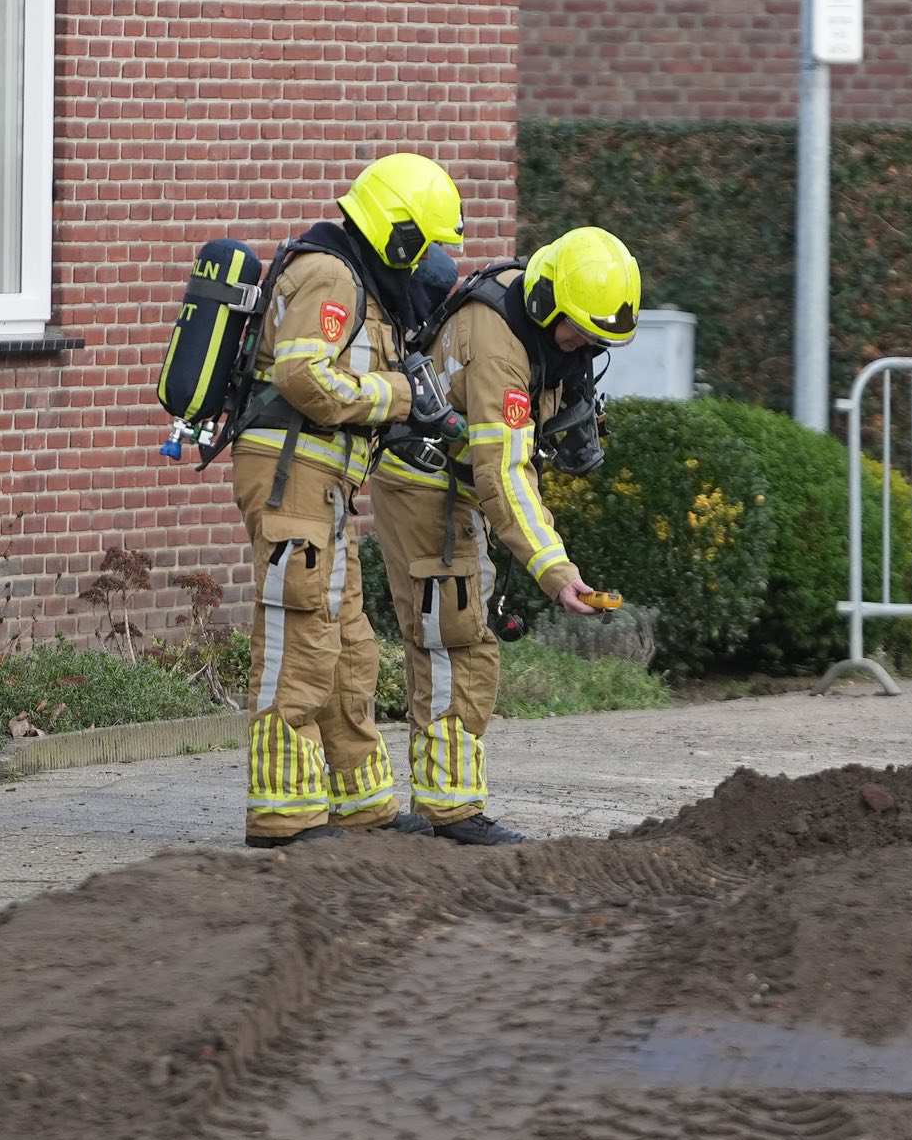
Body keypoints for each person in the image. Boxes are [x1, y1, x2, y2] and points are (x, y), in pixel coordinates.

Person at [367, 226, 641, 845]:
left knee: (454, 638)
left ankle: (439, 803)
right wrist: (555, 568)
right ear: (547, 302)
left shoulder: (538, 322)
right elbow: (503, 472)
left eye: (598, 342)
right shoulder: (497, 343)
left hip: (453, 495)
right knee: (454, 642)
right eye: (579, 332)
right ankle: (451, 813)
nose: (581, 346)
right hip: (427, 494)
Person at [232, 151, 467, 848]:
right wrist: (395, 398)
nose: (430, 265)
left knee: (350, 646)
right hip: (291, 477)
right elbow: (305, 375)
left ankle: (360, 803)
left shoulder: (356, 278)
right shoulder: (331, 275)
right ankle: (282, 813)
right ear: (399, 237)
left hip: (325, 483)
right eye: (427, 247)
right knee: (300, 639)